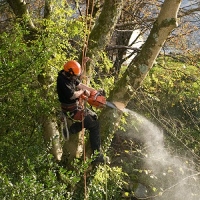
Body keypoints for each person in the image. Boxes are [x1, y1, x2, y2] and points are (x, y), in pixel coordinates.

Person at [56, 60, 104, 163]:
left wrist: (94, 92)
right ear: (70, 73)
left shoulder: (70, 76)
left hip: (76, 106)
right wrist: (82, 92)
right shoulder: (62, 81)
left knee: (94, 117)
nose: (75, 78)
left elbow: (81, 85)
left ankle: (72, 129)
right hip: (70, 109)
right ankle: (97, 156)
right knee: (94, 125)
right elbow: (72, 95)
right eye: (75, 76)